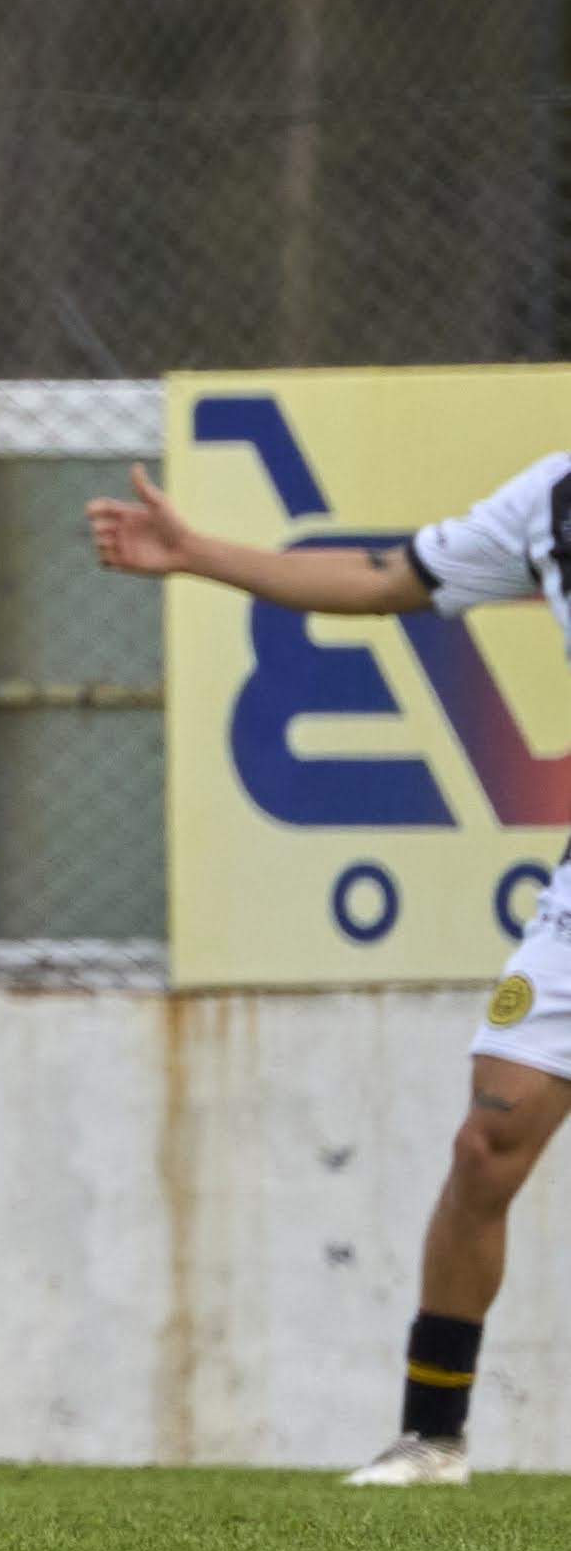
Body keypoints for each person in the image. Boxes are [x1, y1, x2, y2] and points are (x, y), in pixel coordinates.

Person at [90, 456, 571, 1486]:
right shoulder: (553, 499)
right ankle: (431, 1438)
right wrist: (196, 554)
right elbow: (377, 578)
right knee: (490, 1137)